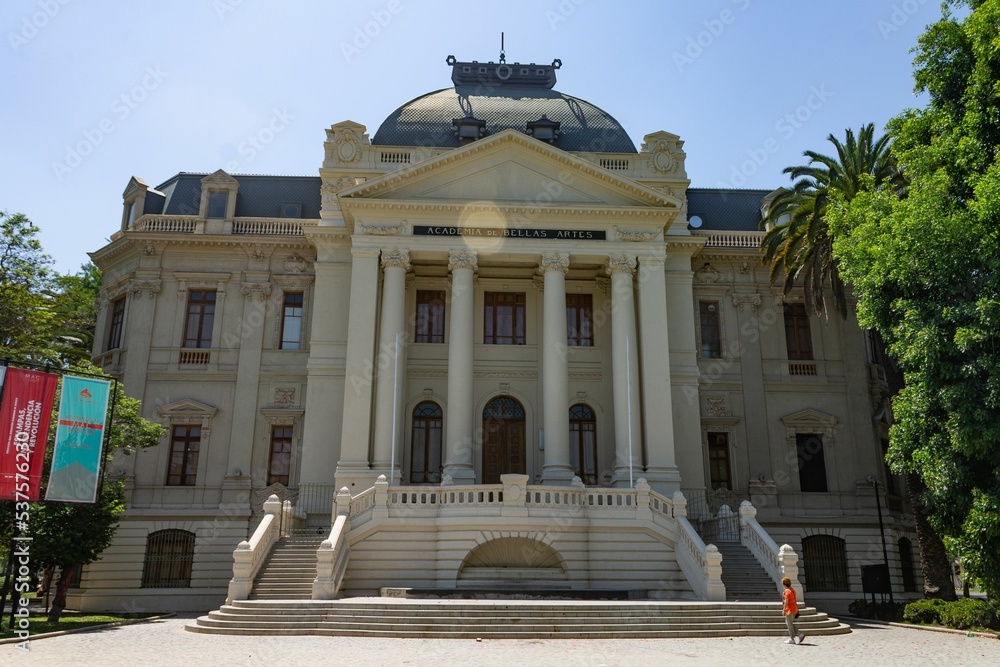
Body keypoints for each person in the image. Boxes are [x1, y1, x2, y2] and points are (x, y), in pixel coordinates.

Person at [782, 577, 805, 644]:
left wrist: (783, 609)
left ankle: (792, 638)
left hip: (789, 609)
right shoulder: (792, 590)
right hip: (794, 608)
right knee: (789, 623)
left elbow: (786, 601)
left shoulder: (787, 591)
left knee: (789, 624)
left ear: (784, 584)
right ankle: (800, 635)